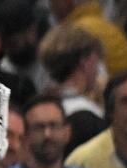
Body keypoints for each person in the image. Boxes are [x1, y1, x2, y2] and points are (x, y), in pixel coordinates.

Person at [37, 23, 109, 154]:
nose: (98, 69)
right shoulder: (90, 117)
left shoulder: (38, 107)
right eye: (96, 60)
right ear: (84, 61)